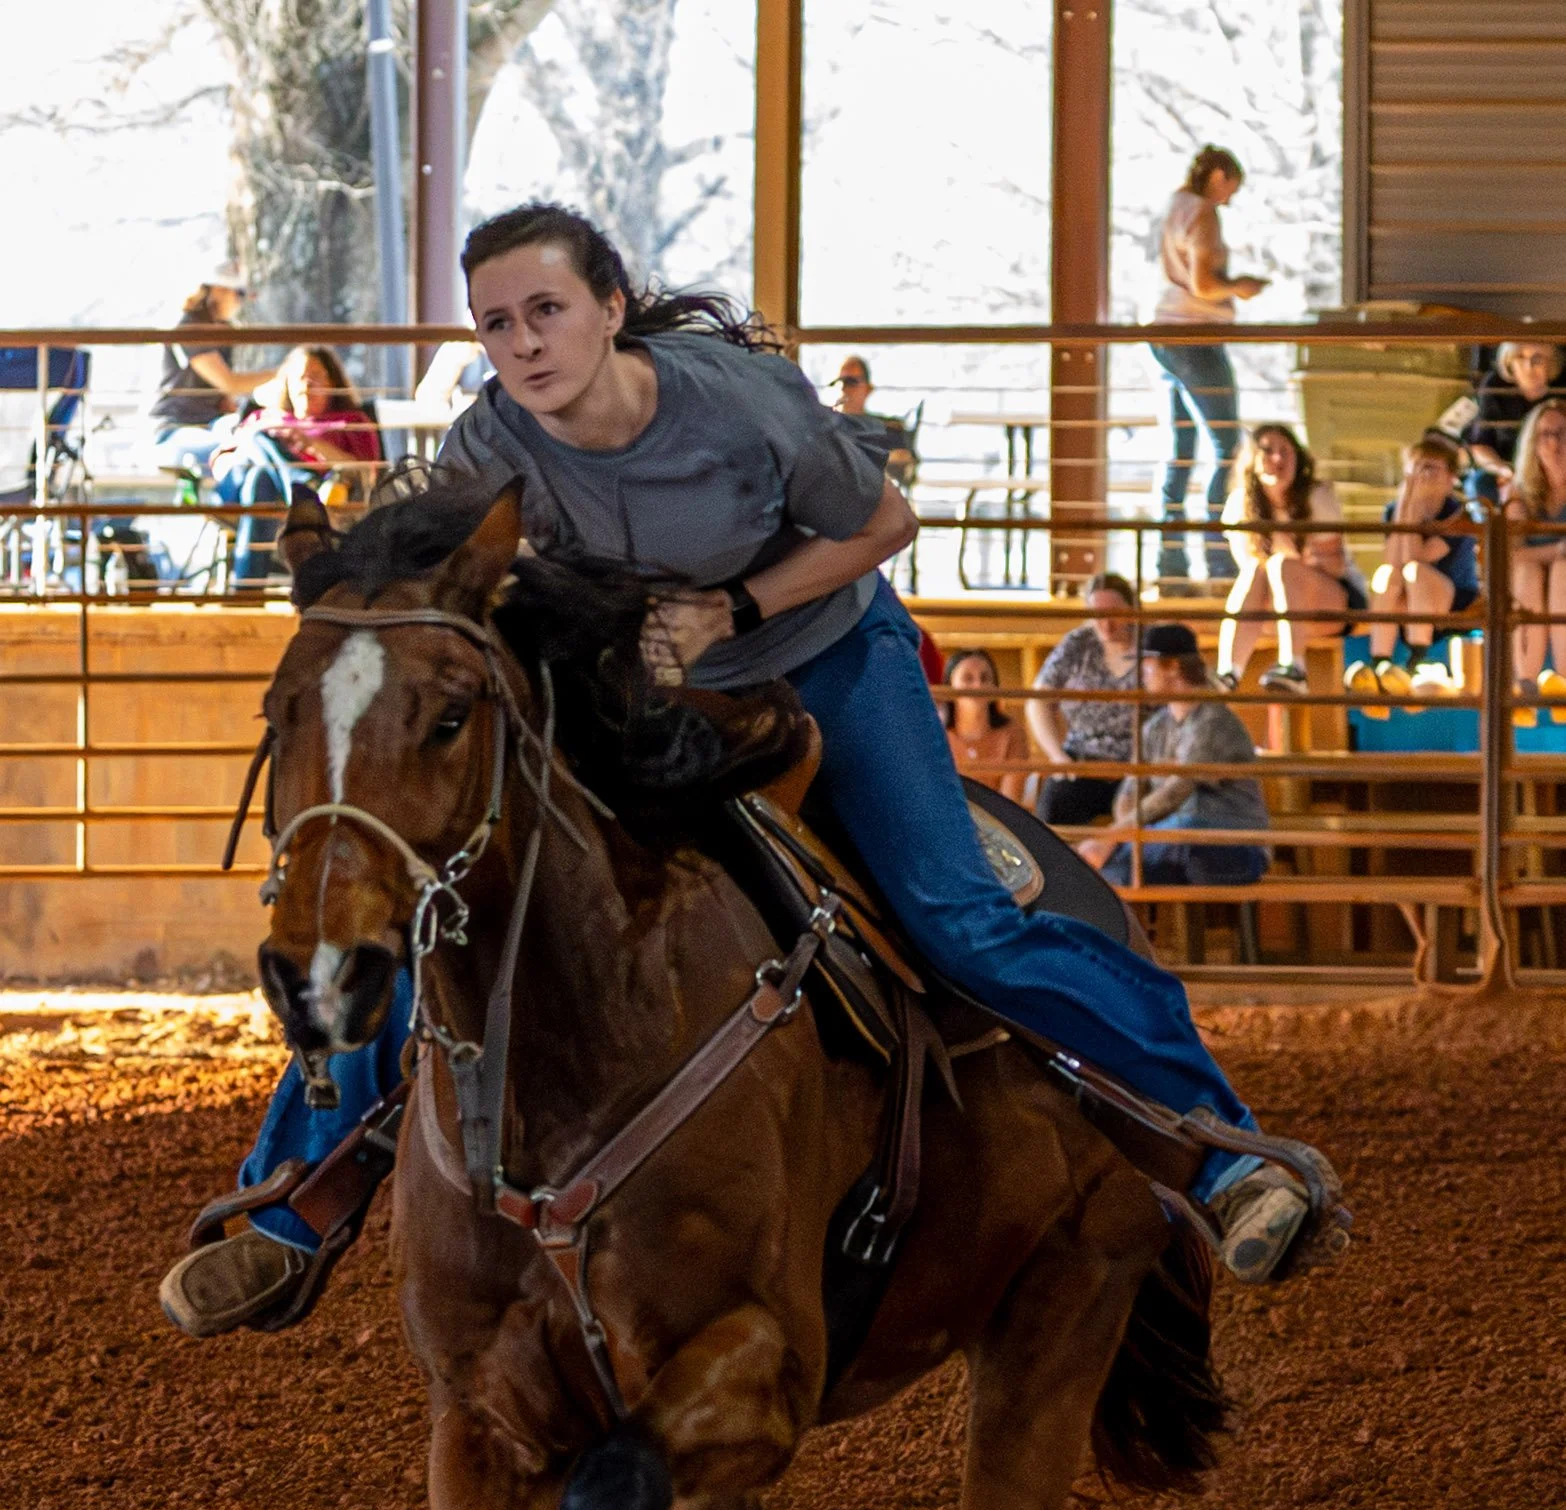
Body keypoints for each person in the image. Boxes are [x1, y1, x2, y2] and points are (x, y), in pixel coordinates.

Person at [161, 200, 1340, 1339]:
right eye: (497, 324)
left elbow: (884, 525)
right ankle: (295, 1207)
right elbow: (433, 572)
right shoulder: (489, 443)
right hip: (637, 689)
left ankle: (1225, 1148)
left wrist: (735, 604)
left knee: (959, 916)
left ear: (611, 306)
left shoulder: (740, 405)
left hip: (824, 654)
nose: (522, 343)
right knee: (453, 900)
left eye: (547, 310)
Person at [1145, 147, 1270, 587]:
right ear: (1218, 175)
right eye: (1230, 187)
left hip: (1165, 333)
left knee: (1180, 451)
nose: (1230, 199)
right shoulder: (1202, 214)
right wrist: (1241, 287)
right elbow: (1203, 284)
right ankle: (1220, 557)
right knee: (1228, 448)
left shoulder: (1175, 206)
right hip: (1196, 336)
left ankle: (1170, 562)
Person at [1086, 623, 1270, 888]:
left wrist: (1113, 837)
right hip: (1175, 837)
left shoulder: (1213, 720)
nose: (1141, 673)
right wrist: (1123, 835)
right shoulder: (1155, 726)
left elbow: (1174, 792)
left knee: (1183, 830)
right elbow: (1129, 793)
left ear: (1172, 666)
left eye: (1147, 664)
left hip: (1234, 845)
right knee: (1112, 868)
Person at [1216, 421, 1368, 694]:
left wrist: (1292, 559)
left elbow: (1334, 566)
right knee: (1257, 570)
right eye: (1268, 450)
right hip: (1274, 610)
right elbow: (1247, 567)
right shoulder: (1239, 504)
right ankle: (1228, 673)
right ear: (1252, 459)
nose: (1278, 458)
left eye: (1286, 451)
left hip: (1332, 602)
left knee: (1280, 564)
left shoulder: (1316, 497)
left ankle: (1293, 666)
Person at [211, 346, 381, 583]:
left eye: (316, 376)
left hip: (318, 496)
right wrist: (253, 450)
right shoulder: (265, 418)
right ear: (287, 383)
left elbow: (366, 472)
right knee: (258, 440)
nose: (307, 384)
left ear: (333, 382)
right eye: (300, 377)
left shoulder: (350, 421)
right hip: (247, 491)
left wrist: (309, 443)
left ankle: (247, 589)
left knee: (260, 480)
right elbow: (220, 462)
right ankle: (301, 483)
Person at [1343, 432, 1479, 706]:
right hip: (1408, 600)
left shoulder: (1457, 514)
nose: (1423, 475)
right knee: (1388, 575)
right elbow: (1394, 561)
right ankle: (1380, 661)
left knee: (1414, 571)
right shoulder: (1395, 510)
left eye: (1431, 467)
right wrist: (1407, 506)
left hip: (1448, 600)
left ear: (1450, 476)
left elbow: (1416, 558)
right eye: (1417, 467)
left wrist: (1413, 512)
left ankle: (1419, 655)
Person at [1027, 573, 1143, 826]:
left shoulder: (1149, 645)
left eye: (1114, 612)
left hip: (1138, 766)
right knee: (1053, 809)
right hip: (1081, 762)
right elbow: (1038, 700)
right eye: (1097, 614)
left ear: (1131, 609)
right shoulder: (1079, 643)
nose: (1106, 624)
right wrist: (1057, 756)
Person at [142, 269, 275, 478]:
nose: (240, 303)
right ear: (218, 291)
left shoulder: (222, 332)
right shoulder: (190, 329)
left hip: (211, 424)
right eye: (238, 295)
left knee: (257, 439)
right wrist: (284, 373)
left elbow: (225, 396)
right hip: (173, 428)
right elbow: (229, 383)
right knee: (233, 452)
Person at [1505, 397, 1566, 702]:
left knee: (1562, 573)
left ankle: (1564, 679)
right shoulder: (1521, 491)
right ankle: (1526, 679)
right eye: (1546, 435)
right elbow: (1513, 555)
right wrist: (1559, 549)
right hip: (1530, 584)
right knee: (1528, 572)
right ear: (1533, 443)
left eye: (1562, 433)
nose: (1555, 443)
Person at [1461, 341, 1566, 503]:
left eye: (1537, 359)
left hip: (1556, 469)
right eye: (1520, 357)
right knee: (1478, 484)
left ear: (1552, 363)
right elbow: (1480, 446)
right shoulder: (1495, 386)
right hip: (1508, 470)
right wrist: (1505, 471)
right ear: (1509, 362)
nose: (1528, 366)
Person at [940, 648, 1035, 805]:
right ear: (949, 687)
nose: (978, 685)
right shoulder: (936, 734)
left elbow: (1009, 805)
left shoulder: (1013, 733)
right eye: (967, 678)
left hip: (994, 825)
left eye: (985, 678)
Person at [832, 355, 915, 486]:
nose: (844, 389)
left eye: (851, 382)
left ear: (868, 388)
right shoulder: (825, 429)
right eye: (840, 382)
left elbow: (906, 469)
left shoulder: (888, 430)